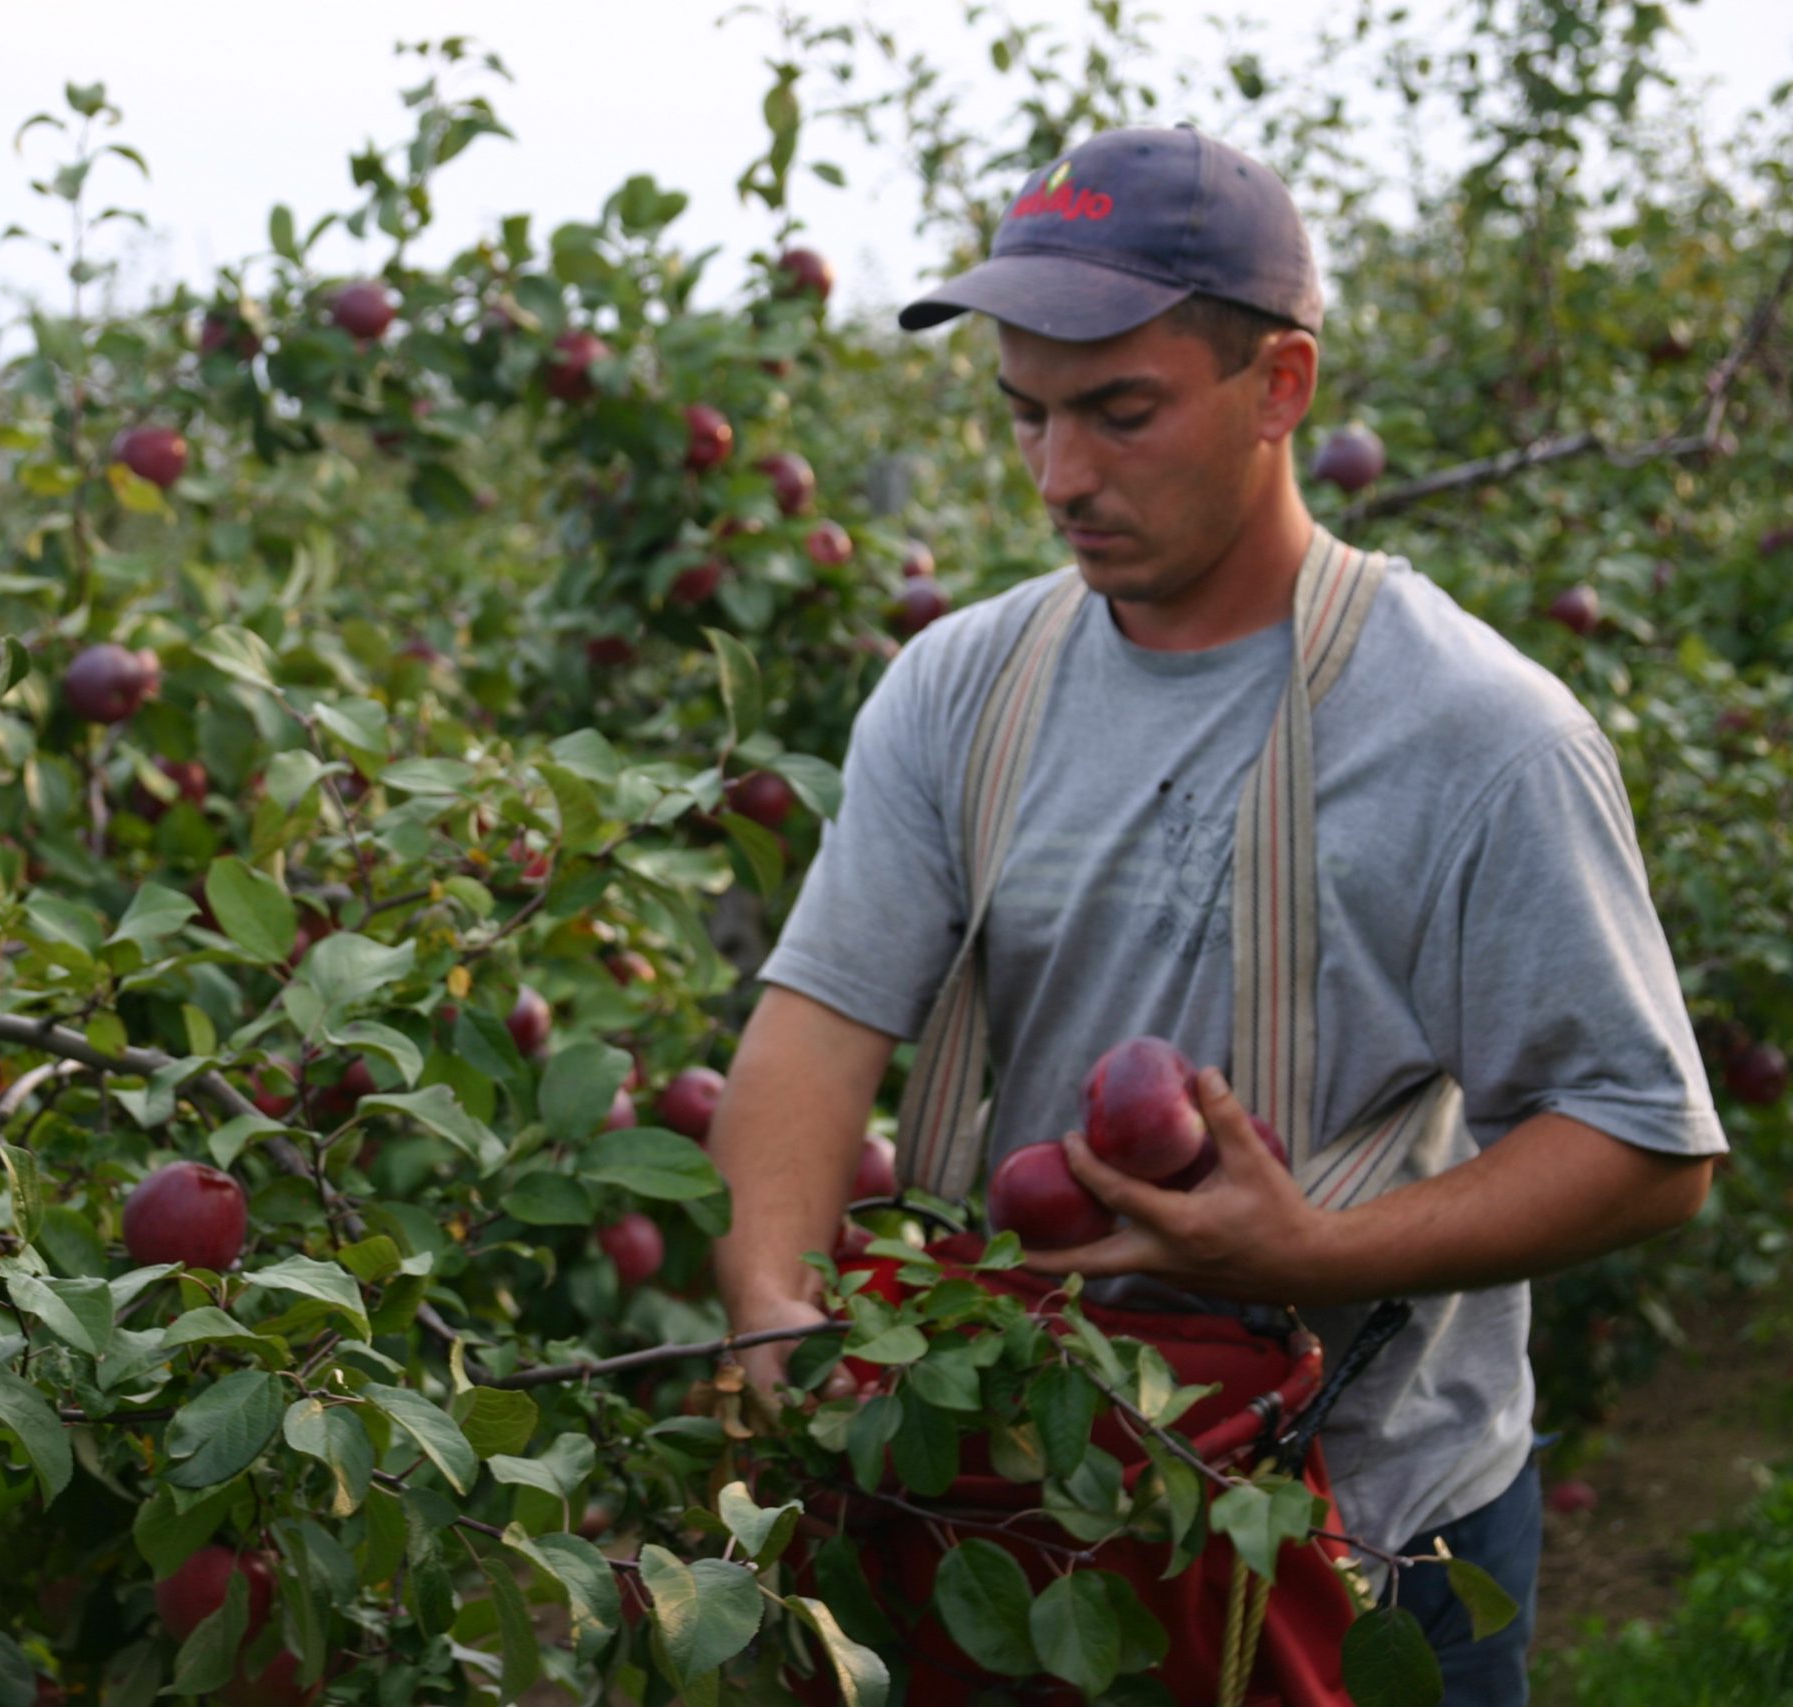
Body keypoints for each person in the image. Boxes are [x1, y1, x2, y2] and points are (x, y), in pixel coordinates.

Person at [707, 125, 1724, 1702]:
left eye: (1120, 413)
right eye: (1026, 417)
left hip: (1367, 1529)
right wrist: (770, 1288)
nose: (1059, 478)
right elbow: (821, 1020)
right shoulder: (961, 688)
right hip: (1020, 1497)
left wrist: (1318, 1251)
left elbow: (1648, 1143)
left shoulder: (1475, 735)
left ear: (1281, 387)